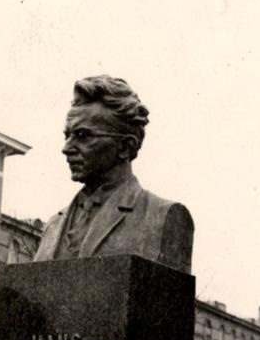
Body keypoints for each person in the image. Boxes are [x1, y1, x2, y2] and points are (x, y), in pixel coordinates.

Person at [33, 75, 194, 274]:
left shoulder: (164, 217)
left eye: (83, 136)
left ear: (126, 146)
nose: (66, 148)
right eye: (68, 136)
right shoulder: (53, 226)